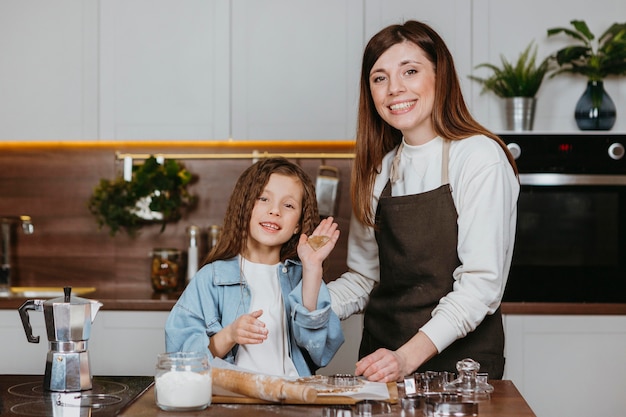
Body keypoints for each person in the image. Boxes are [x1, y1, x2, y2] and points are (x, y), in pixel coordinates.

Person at [327, 20, 520, 382]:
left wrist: (405, 358)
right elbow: (364, 279)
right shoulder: (378, 170)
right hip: (379, 366)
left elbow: (480, 287)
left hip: (461, 373)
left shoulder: (478, 157)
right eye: (379, 78)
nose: (394, 89)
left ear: (440, 76)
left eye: (410, 71)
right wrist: (299, 307)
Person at [165, 157, 344, 377]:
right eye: (263, 198)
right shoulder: (211, 278)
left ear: (297, 225)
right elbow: (182, 359)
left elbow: (319, 352)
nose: (275, 211)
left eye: (288, 205)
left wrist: (312, 268)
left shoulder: (303, 276)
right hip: (233, 402)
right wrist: (229, 334)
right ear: (245, 206)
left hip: (292, 399)